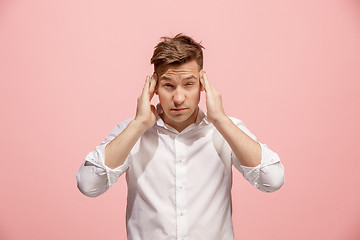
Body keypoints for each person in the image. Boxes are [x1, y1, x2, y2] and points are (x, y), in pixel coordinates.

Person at [76, 33, 285, 240]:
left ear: (203, 85)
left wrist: (220, 119)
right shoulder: (130, 132)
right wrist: (139, 125)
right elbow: (88, 185)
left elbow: (272, 180)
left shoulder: (226, 130)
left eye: (188, 84)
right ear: (154, 87)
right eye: (168, 85)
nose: (178, 98)